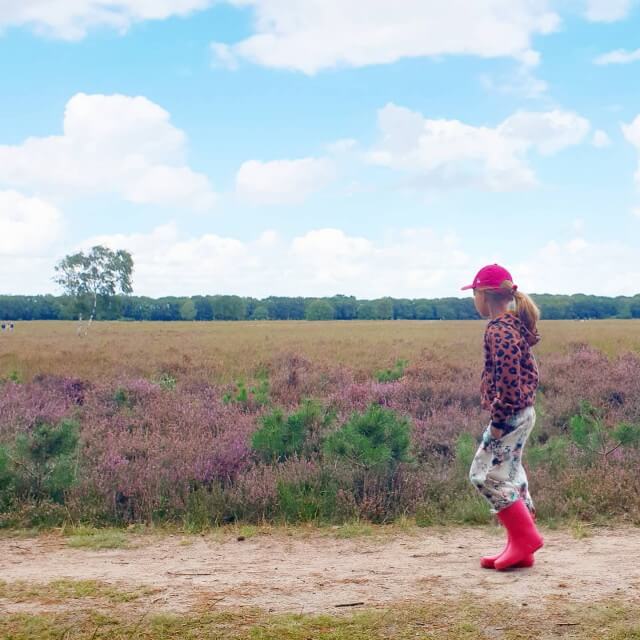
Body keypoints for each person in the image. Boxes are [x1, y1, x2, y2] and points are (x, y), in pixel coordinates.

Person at [462, 264, 544, 571]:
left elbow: (508, 382)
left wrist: (497, 424)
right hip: (521, 412)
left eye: (474, 294)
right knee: (511, 474)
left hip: (510, 415)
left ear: (484, 295)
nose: (474, 300)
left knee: (483, 474)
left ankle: (525, 538)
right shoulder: (512, 326)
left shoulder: (499, 330)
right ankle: (519, 546)